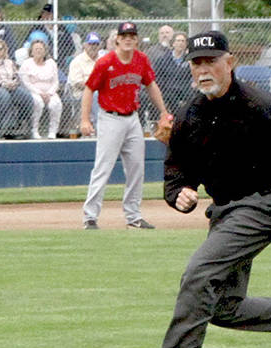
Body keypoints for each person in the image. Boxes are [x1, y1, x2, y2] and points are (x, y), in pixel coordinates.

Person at [147, 31, 271, 348]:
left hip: (261, 204)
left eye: (211, 61)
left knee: (198, 273)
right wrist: (178, 191)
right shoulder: (189, 114)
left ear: (230, 63)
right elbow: (177, 164)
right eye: (197, 63)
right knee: (222, 307)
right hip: (225, 211)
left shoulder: (261, 106)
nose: (203, 69)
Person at [80, 21, 168, 230]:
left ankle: (134, 217)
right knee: (103, 168)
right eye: (124, 36)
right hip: (110, 118)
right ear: (117, 39)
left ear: (137, 39)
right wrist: (85, 119)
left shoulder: (141, 59)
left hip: (132, 118)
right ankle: (90, 217)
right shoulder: (106, 62)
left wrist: (164, 112)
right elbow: (88, 89)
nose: (128, 39)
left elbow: (151, 85)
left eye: (132, 35)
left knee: (137, 168)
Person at [19, 37, 61, 139]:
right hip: (33, 92)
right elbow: (26, 82)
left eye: (41, 49)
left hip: (50, 92)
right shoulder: (26, 64)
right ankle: (34, 130)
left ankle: (52, 131)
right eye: (36, 49)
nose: (38, 51)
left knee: (56, 104)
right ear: (31, 51)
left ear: (45, 51)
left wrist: (50, 93)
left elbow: (55, 81)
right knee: (38, 103)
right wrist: (39, 93)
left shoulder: (51, 63)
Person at [64, 30, 101, 138]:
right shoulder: (77, 61)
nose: (93, 47)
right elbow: (77, 83)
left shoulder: (103, 60)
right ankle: (99, 130)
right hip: (81, 95)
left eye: (96, 44)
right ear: (85, 45)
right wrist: (94, 86)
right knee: (95, 95)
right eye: (90, 44)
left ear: (100, 46)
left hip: (102, 93)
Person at [151, 31, 190, 114]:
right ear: (173, 43)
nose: (180, 43)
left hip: (185, 89)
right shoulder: (163, 59)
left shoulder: (189, 60)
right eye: (178, 41)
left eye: (183, 41)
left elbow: (192, 76)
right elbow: (158, 76)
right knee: (171, 98)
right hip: (168, 90)